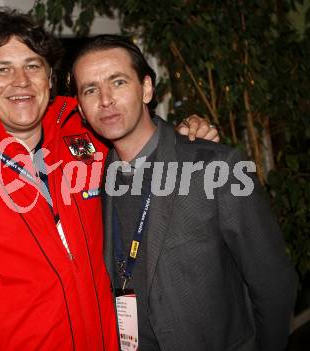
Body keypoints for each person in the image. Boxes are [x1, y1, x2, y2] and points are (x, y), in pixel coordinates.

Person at [0, 9, 217, 351]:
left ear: (49, 78)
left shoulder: (93, 141)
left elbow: (145, 147)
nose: (21, 81)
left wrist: (184, 136)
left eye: (33, 66)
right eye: (2, 69)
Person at [71, 34, 298, 351]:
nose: (105, 99)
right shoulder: (88, 180)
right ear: (81, 108)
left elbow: (274, 284)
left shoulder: (215, 166)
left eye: (118, 82)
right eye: (91, 90)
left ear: (147, 88)